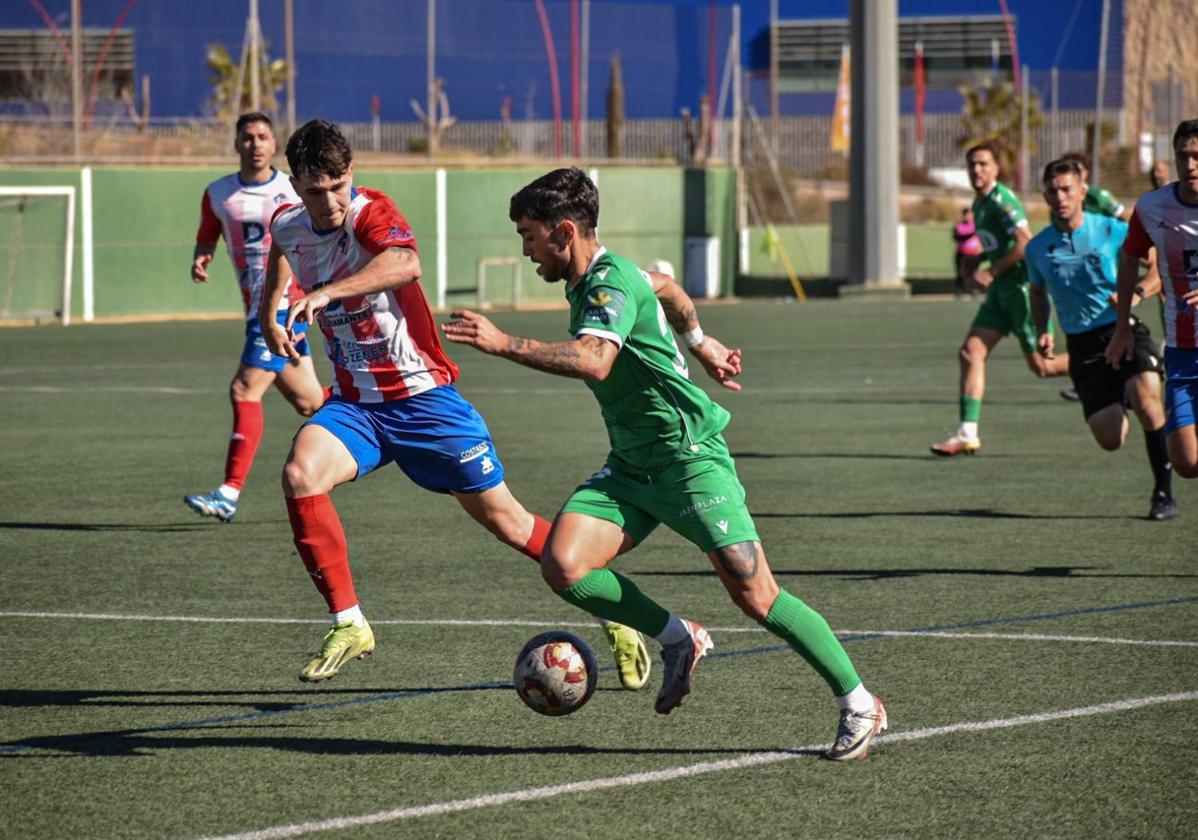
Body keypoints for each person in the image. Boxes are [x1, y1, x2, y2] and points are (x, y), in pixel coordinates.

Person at [442, 167, 887, 761]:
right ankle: (679, 638)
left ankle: (860, 702)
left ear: (565, 231)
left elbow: (595, 359)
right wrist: (701, 344)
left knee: (756, 595)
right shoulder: (611, 280)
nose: (525, 250)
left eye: (529, 235)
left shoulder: (609, 286)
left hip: (689, 458)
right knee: (565, 565)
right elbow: (670, 291)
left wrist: (503, 343)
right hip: (631, 467)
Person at [260, 121, 649, 687]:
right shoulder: (288, 222)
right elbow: (283, 249)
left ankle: (619, 614)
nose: (331, 200)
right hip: (356, 406)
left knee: (511, 524)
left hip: (425, 401)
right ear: (296, 185)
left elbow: (405, 264)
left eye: (339, 183)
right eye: (316, 189)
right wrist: (274, 309)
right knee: (300, 474)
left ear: (352, 174)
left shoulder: (370, 212)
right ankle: (350, 623)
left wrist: (322, 293)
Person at [185, 112, 325, 524]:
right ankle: (377, 411)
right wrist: (202, 255)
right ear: (236, 143)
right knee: (309, 401)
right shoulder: (218, 193)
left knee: (245, 389)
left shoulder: (292, 189)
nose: (255, 144)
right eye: (248, 137)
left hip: (284, 305)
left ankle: (228, 492)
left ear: (273, 143)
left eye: (263, 136)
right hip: (254, 305)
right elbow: (209, 230)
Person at [1027, 158, 1176, 520]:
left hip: (1122, 326)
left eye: (1067, 189)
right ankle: (1122, 393)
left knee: (1147, 399)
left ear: (1082, 191)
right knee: (1111, 439)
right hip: (1082, 345)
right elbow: (1037, 292)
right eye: (1053, 191)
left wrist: (1137, 293)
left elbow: (1157, 267)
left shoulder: (1111, 229)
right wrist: (1043, 329)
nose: (1060, 197)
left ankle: (1163, 494)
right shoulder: (1037, 248)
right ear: (1045, 196)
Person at [931, 141, 1069, 456]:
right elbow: (999, 243)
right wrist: (976, 260)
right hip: (1000, 295)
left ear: (996, 168)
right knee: (970, 353)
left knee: (1043, 367)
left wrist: (991, 271)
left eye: (983, 164)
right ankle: (967, 432)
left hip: (1022, 291)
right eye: (972, 165)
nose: (976, 170)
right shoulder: (979, 204)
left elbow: (1024, 244)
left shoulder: (1002, 200)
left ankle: (1105, 363)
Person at [1107, 119, 1198, 483]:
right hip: (1182, 347)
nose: (1190, 165)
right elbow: (1129, 259)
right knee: (1186, 462)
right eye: (1183, 156)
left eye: (1197, 156)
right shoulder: (1152, 207)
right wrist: (1121, 328)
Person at [1059, 152, 1132, 221]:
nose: (1072, 174)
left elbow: (1125, 218)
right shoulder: (1058, 199)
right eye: (1066, 170)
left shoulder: (1099, 197)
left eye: (1077, 170)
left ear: (1086, 173)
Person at [952, 207, 983, 298]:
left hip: (973, 253)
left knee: (974, 273)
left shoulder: (976, 225)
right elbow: (957, 237)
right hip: (961, 252)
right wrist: (971, 234)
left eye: (970, 215)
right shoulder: (958, 225)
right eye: (966, 215)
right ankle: (959, 290)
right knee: (960, 272)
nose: (968, 217)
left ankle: (974, 289)